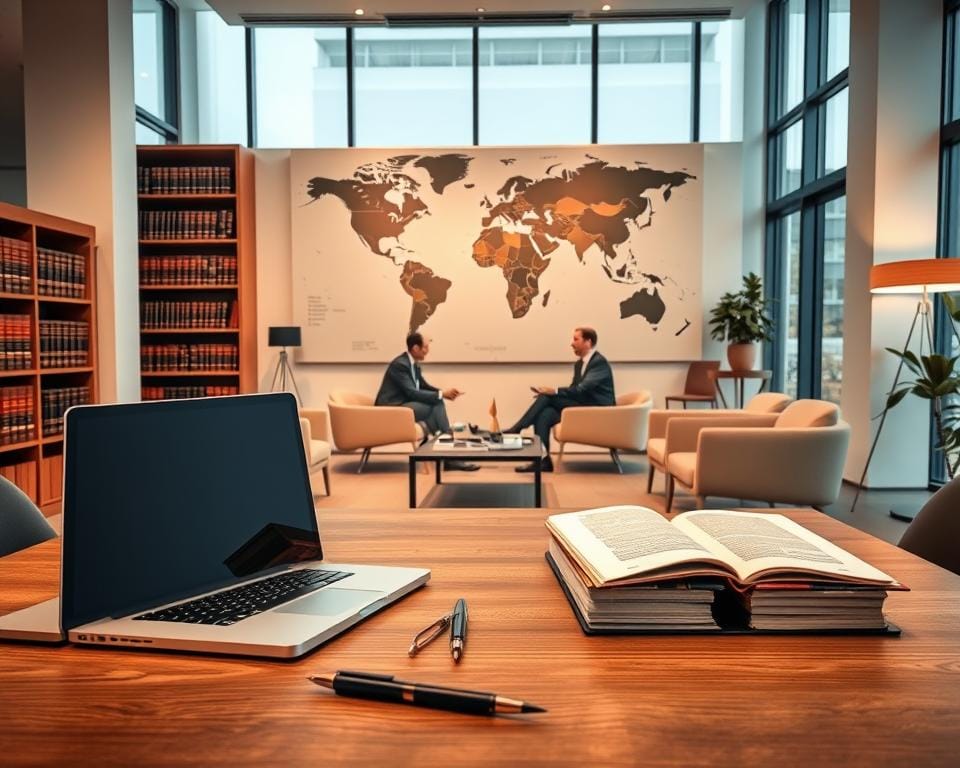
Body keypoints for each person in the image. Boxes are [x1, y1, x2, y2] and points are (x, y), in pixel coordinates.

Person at [506, 327, 615, 473]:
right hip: (583, 406)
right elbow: (574, 389)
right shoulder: (579, 364)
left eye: (576, 339)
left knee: (546, 397)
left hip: (598, 411)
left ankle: (517, 428)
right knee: (545, 415)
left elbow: (582, 389)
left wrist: (553, 392)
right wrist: (551, 394)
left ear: (588, 342)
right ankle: (543, 461)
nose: (572, 343)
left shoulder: (598, 362)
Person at [376, 332, 479, 472]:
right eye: (425, 347)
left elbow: (423, 386)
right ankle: (448, 454)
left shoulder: (413, 365)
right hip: (390, 409)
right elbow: (412, 392)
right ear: (415, 348)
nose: (428, 350)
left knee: (436, 405)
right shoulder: (400, 365)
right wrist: (442, 395)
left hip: (402, 406)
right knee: (437, 404)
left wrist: (443, 392)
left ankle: (440, 450)